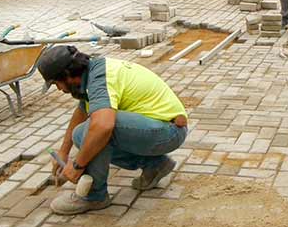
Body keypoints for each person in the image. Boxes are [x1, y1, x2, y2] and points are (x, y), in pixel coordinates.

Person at [41, 45, 188, 215]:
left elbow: (102, 127)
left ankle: (94, 196)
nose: (59, 89)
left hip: (169, 131)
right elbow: (81, 111)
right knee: (83, 133)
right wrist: (63, 152)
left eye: (56, 83)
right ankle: (155, 165)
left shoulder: (100, 79)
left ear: (67, 75)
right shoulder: (92, 72)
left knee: (93, 130)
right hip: (160, 129)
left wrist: (77, 166)